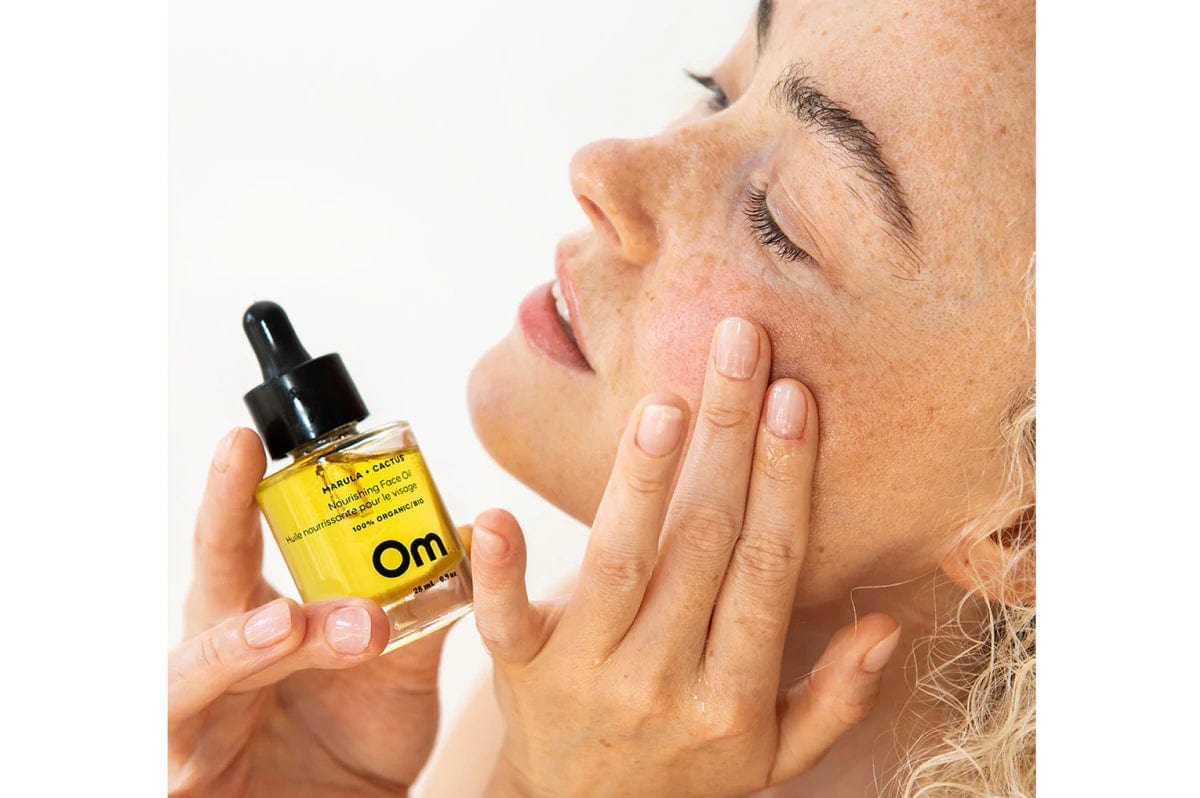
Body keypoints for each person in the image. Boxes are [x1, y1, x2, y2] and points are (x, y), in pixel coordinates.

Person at [167, 0, 1035, 795]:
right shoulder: (574, 705)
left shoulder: (574, 759)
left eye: (781, 217)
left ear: (1027, 530)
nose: (603, 168)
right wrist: (337, 784)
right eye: (717, 92)